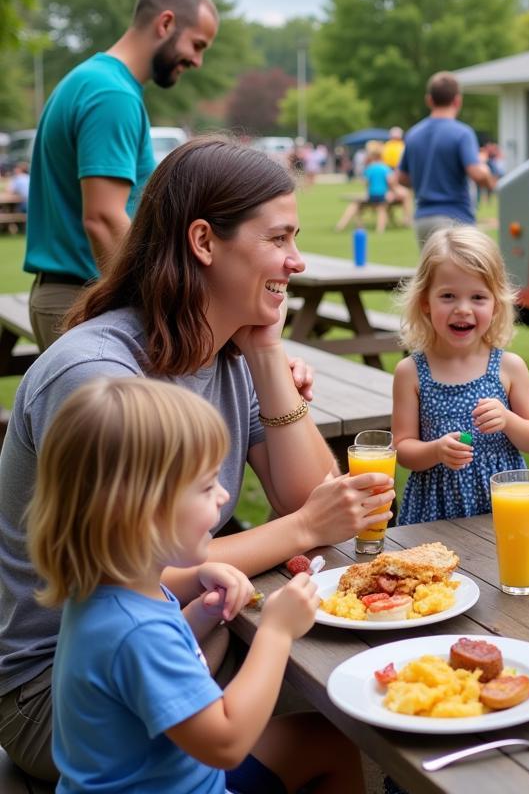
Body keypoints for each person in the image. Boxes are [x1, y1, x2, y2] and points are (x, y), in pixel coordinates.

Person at [0, 136, 394, 781]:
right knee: (346, 713)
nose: (297, 261)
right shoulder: (99, 378)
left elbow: (322, 502)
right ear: (205, 241)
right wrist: (300, 532)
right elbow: (132, 561)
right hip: (59, 688)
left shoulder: (224, 351)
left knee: (347, 709)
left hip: (169, 630)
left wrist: (266, 353)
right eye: (279, 238)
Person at [28, 376, 359, 792]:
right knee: (332, 737)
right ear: (141, 513)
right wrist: (276, 631)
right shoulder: (137, 629)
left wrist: (201, 613)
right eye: (206, 487)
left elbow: (144, 666)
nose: (224, 497)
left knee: (326, 739)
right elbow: (226, 742)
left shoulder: (116, 591)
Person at [24, 0, 219, 350]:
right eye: (196, 44)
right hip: (84, 302)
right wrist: (148, 305)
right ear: (165, 24)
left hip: (70, 297)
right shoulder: (112, 94)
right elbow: (103, 217)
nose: (197, 61)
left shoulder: (90, 80)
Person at [392, 226, 529, 523]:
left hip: (501, 508)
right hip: (433, 513)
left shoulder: (508, 367)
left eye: (478, 297)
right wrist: (436, 451)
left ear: (496, 304)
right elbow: (403, 449)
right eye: (448, 296)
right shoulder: (410, 372)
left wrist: (508, 419)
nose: (463, 309)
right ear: (425, 302)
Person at [396, 72, 495, 248]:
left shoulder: (413, 134)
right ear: (458, 101)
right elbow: (477, 174)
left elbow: (401, 177)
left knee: (434, 274)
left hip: (423, 219)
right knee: (464, 274)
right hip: (455, 219)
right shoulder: (462, 133)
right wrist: (488, 175)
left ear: (429, 100)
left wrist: (426, 179)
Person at [333, 140, 393, 233]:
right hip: (382, 194)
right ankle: (380, 229)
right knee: (381, 209)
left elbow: (365, 181)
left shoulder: (370, 168)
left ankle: (350, 226)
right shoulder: (385, 168)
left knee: (356, 205)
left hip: (371, 194)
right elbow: (390, 181)